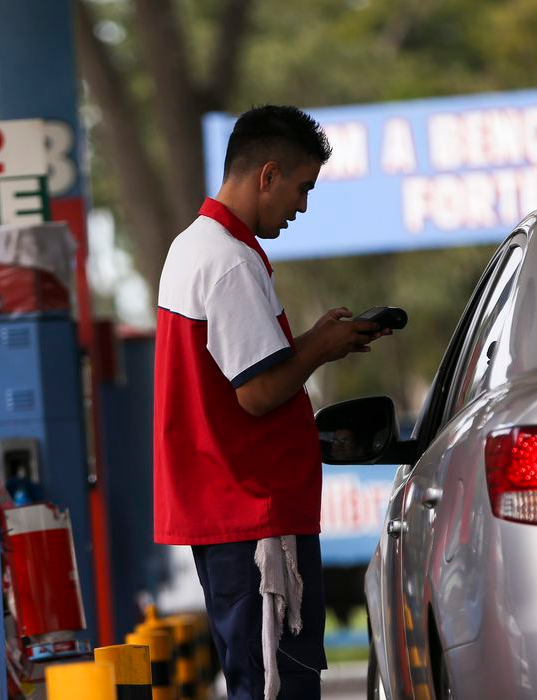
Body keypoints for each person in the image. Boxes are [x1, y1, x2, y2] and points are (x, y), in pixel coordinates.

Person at [153, 104, 388, 699]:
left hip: (230, 514)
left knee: (256, 680)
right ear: (268, 174)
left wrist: (312, 343)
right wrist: (321, 348)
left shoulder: (194, 246)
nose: (302, 207)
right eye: (302, 189)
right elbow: (257, 392)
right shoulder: (228, 261)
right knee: (275, 685)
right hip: (253, 516)